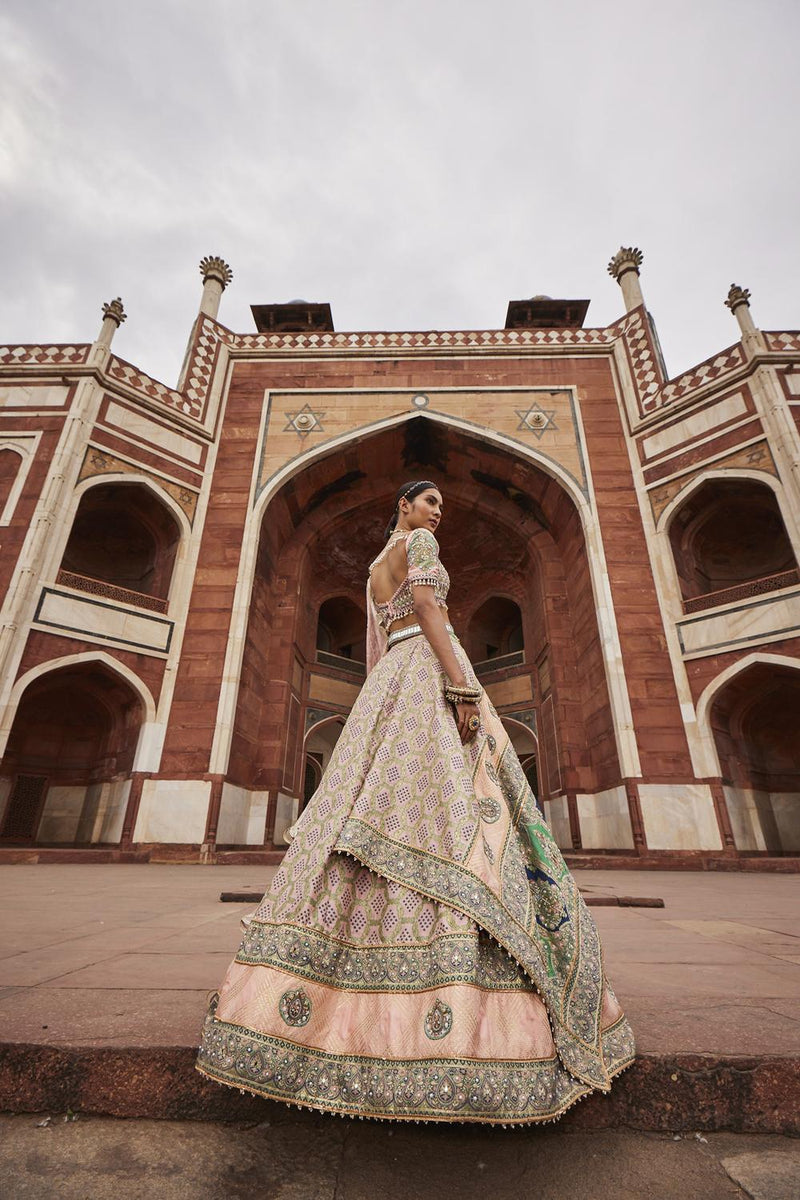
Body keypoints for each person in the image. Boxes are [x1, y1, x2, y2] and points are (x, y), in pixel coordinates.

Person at [197, 480, 635, 1124]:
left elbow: (386, 635)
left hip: (389, 684)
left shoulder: (375, 569)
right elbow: (430, 608)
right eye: (430, 501)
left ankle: (308, 1007)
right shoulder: (420, 543)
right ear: (402, 505)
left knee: (381, 810)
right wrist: (461, 683)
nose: (439, 512)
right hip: (431, 672)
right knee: (454, 809)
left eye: (441, 506)